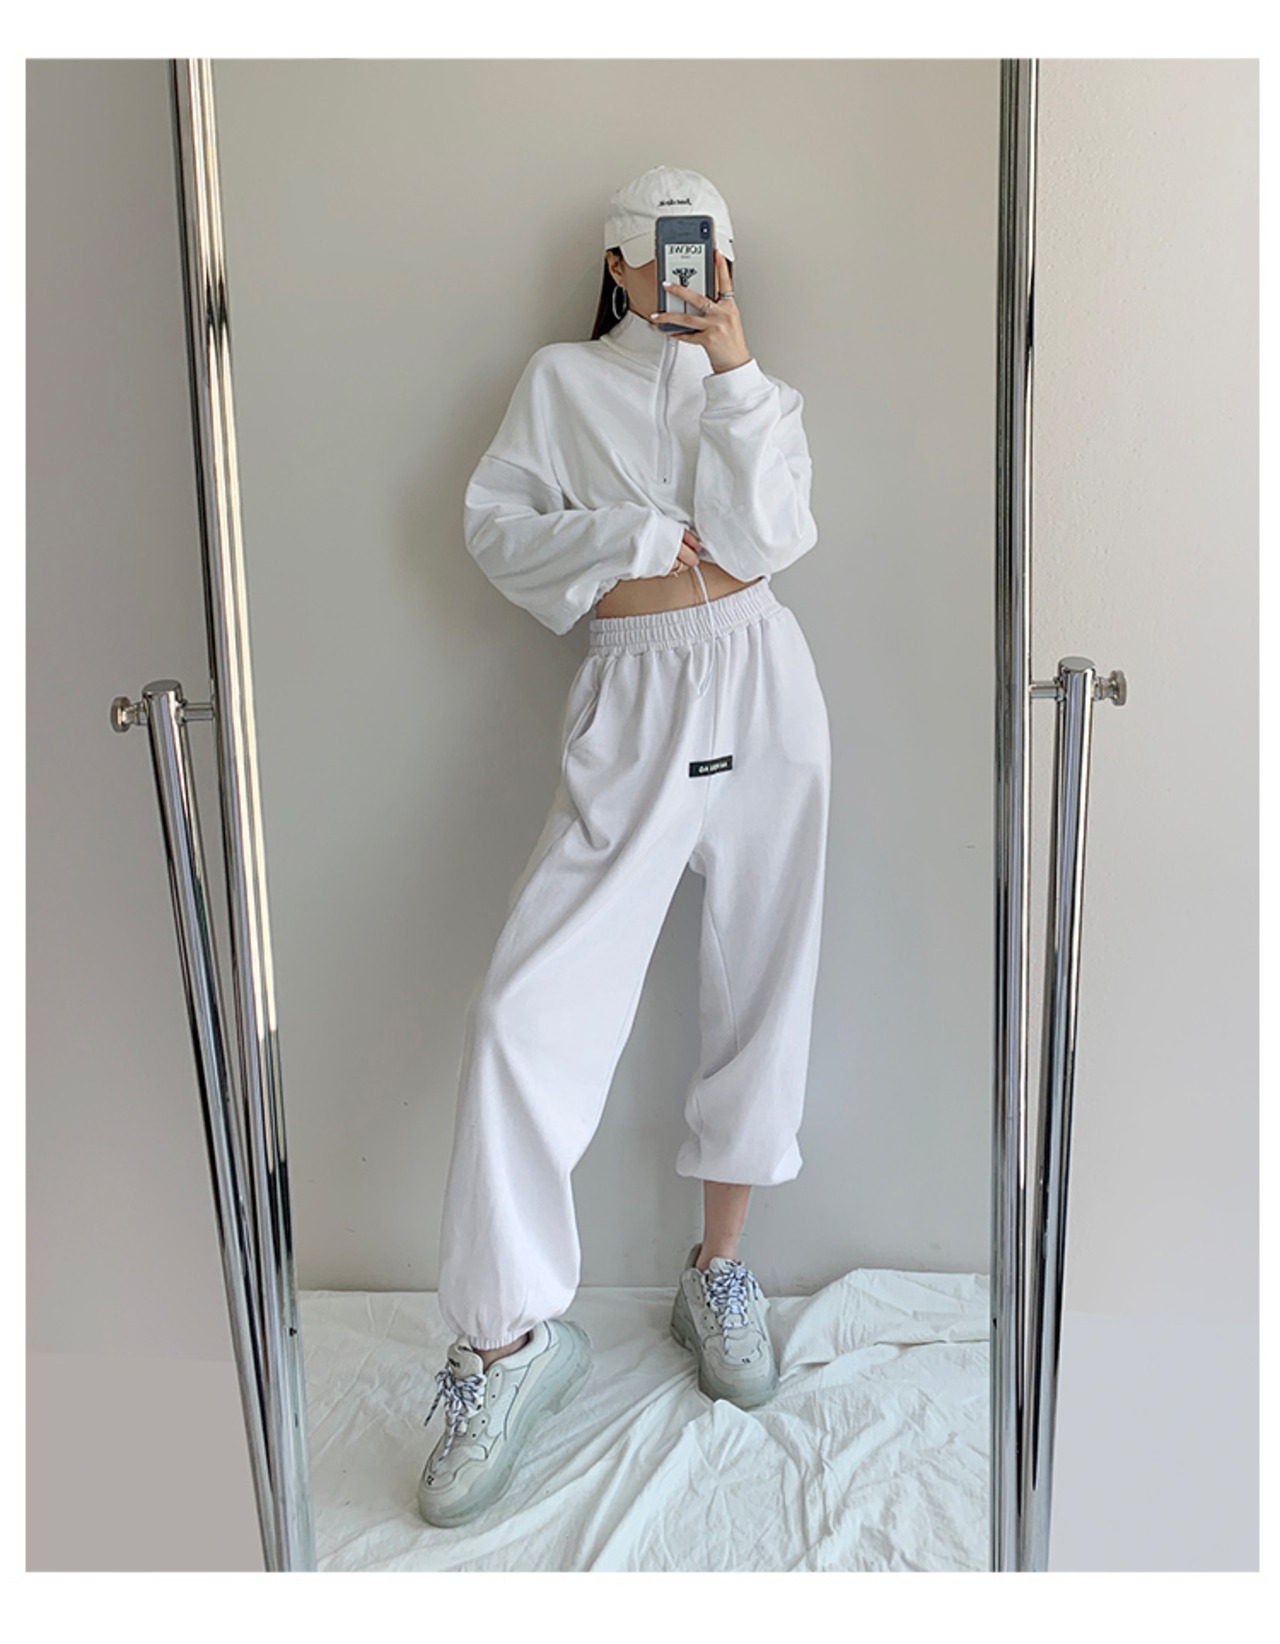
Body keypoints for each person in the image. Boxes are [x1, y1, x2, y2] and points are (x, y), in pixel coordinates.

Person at [418, 166, 831, 1529]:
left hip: (763, 681)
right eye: (662, 249)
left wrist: (738, 373)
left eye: (709, 249)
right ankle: (506, 1341)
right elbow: (496, 528)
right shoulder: (558, 383)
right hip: (637, 695)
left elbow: (778, 535)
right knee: (521, 1013)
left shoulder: (752, 388)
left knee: (765, 977)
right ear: (616, 260)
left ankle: (719, 1272)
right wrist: (636, 534)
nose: (686, 270)